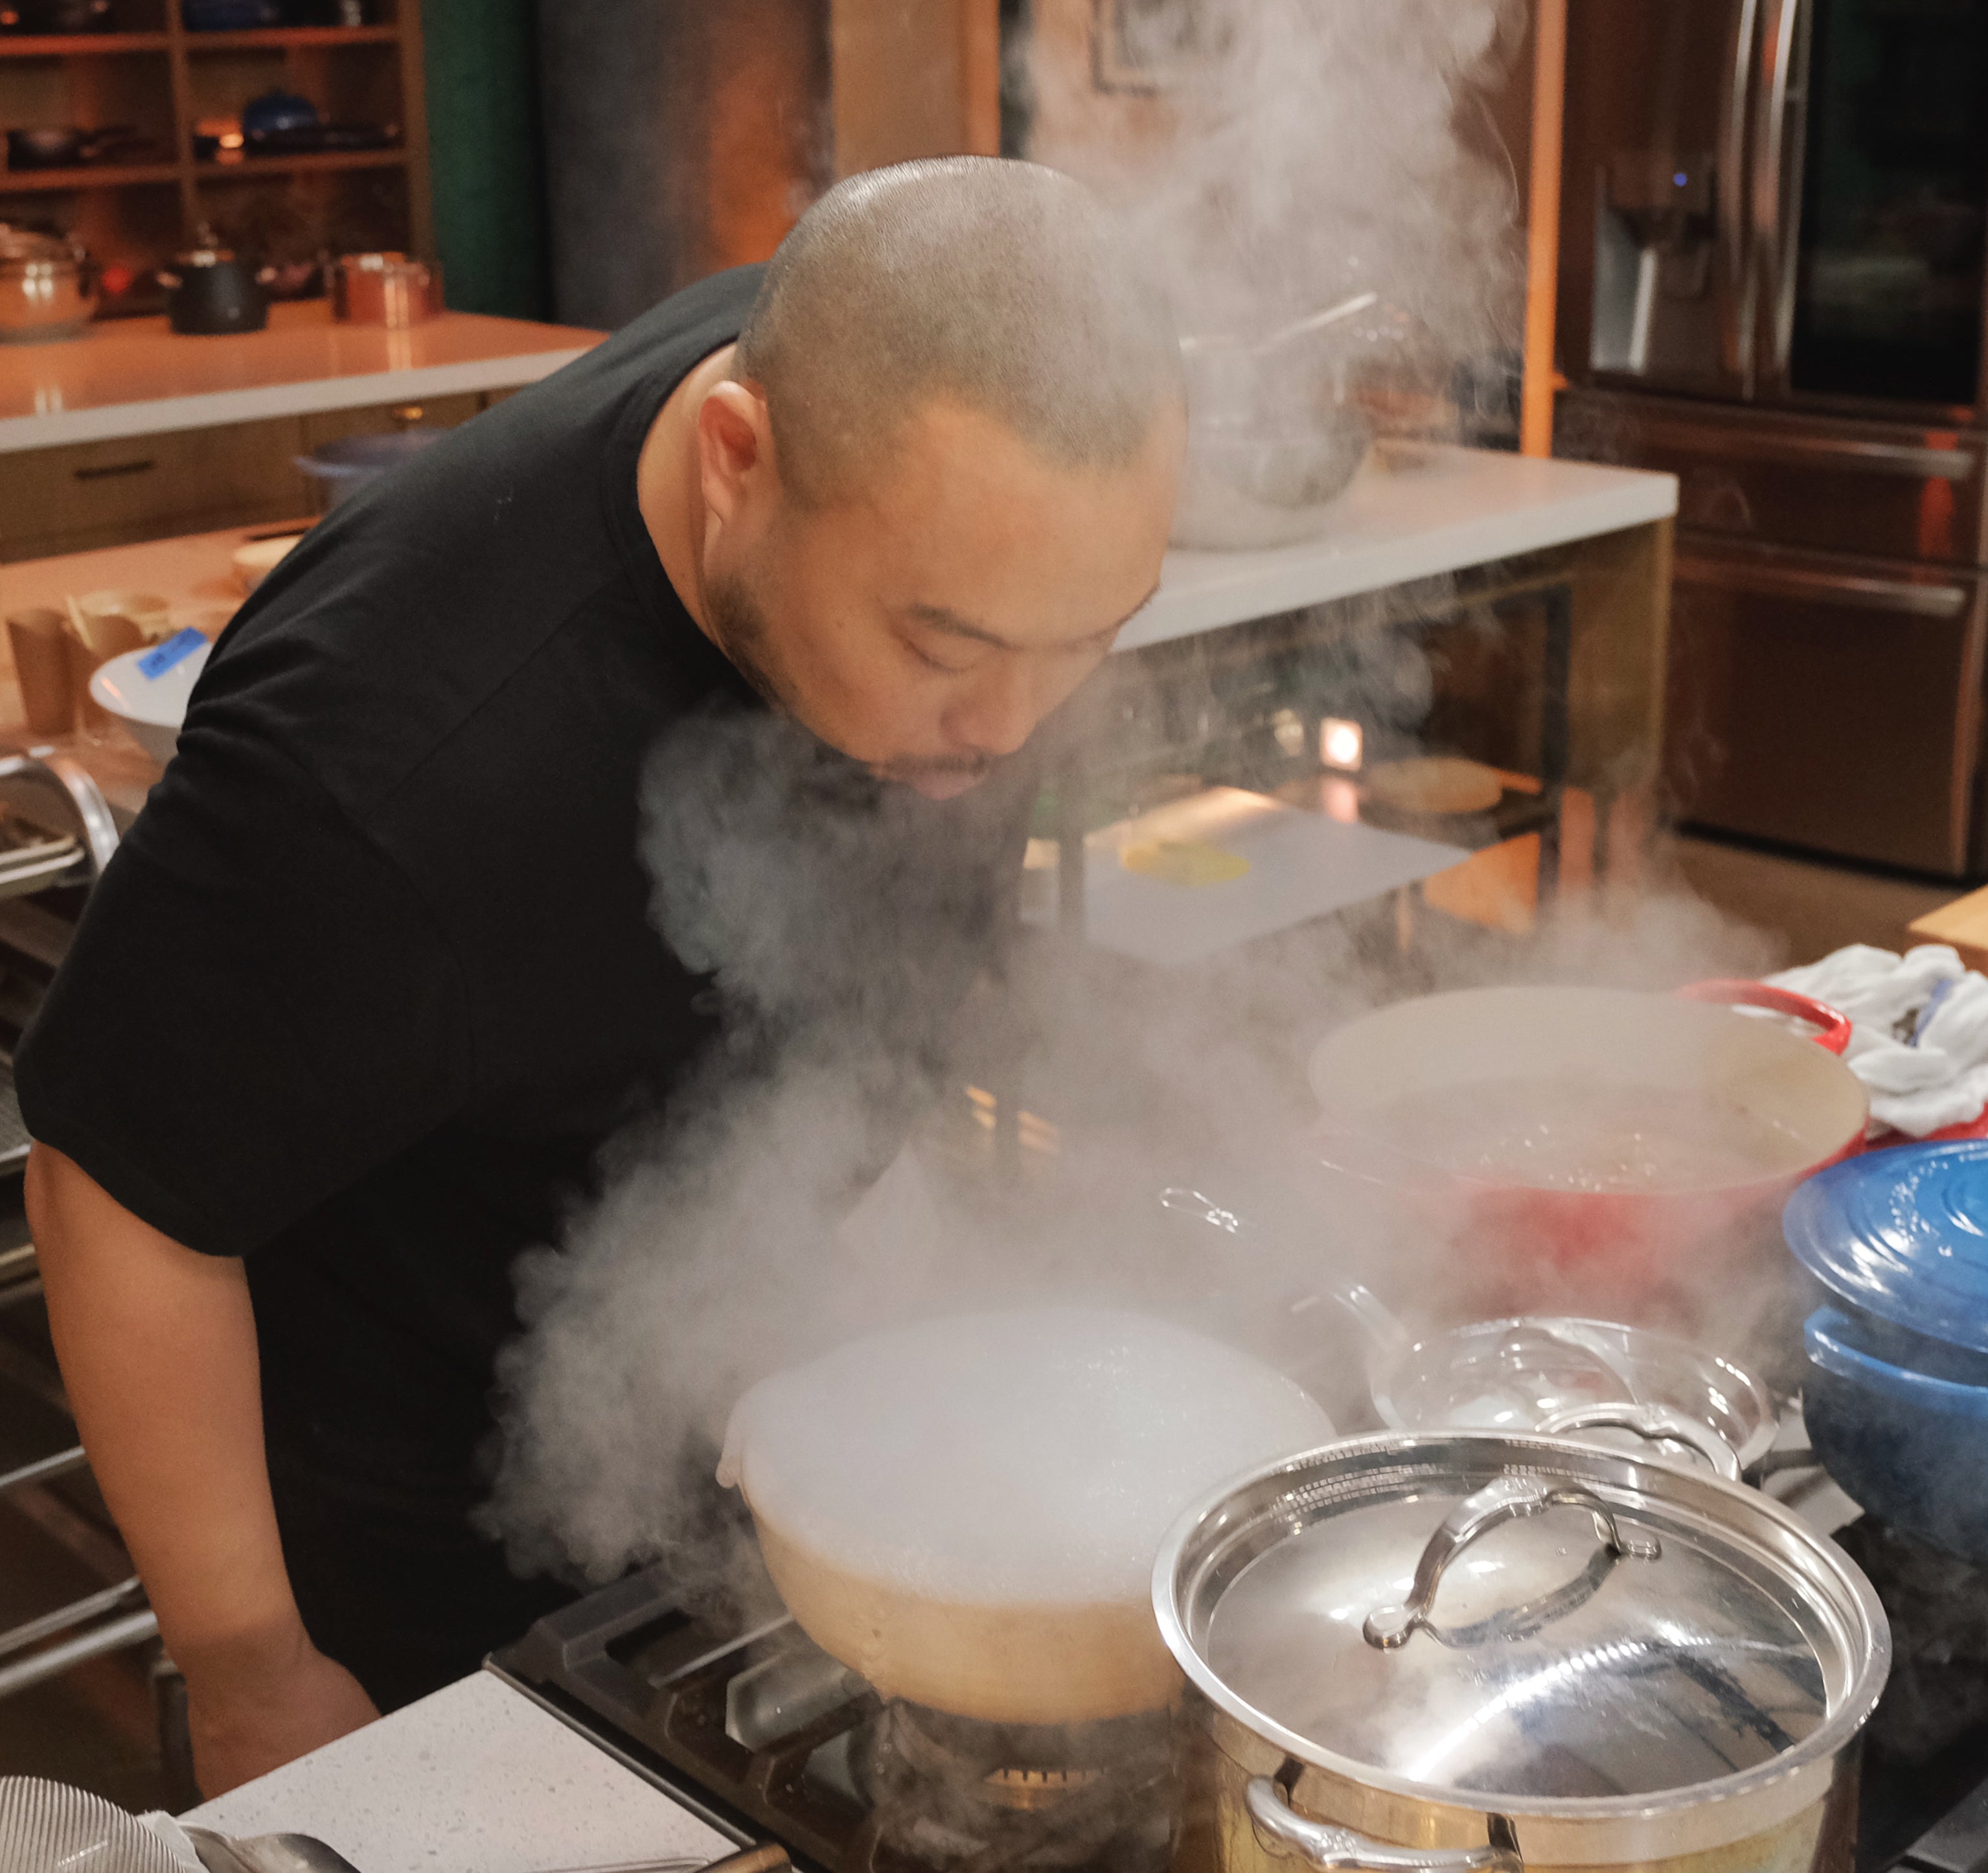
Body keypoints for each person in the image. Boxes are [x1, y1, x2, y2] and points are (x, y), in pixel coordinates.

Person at [17, 157, 1185, 1795]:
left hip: (753, 1391)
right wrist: (251, 1667)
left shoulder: (893, 386)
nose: (1011, 726)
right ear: (736, 460)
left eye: (1089, 637)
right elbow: (118, 1193)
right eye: (944, 646)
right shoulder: (383, 763)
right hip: (445, 1530)